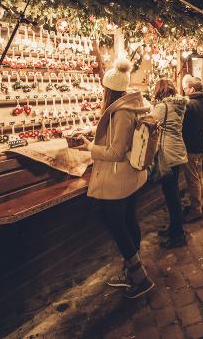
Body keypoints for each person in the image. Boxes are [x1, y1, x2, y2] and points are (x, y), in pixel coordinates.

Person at [79, 59, 153, 298]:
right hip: (131, 177)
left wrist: (89, 147)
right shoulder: (131, 107)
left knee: (116, 225)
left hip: (116, 180)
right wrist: (94, 134)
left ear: (109, 90)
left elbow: (116, 152)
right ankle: (132, 270)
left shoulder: (121, 113)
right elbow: (118, 139)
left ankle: (139, 277)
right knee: (128, 220)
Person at [150, 78, 189, 249]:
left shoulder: (162, 107)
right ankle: (174, 228)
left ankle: (178, 235)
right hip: (177, 151)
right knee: (172, 194)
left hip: (167, 154)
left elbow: (148, 123)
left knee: (171, 196)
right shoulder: (180, 105)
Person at [181, 76, 203, 223]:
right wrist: (201, 128)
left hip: (191, 147)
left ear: (192, 89)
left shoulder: (189, 105)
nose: (184, 91)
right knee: (199, 176)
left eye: (186, 89)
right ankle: (199, 204)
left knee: (193, 179)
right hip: (202, 145)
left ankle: (196, 209)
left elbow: (181, 126)